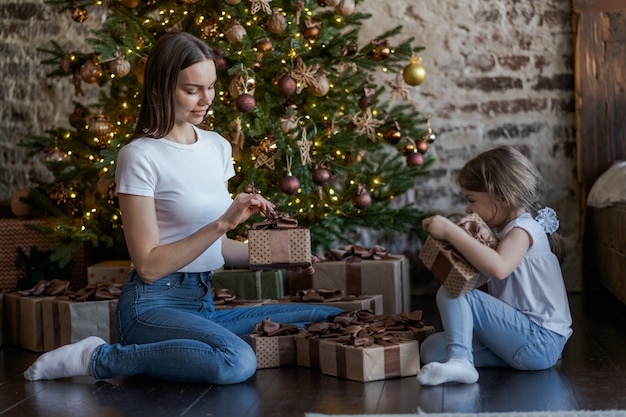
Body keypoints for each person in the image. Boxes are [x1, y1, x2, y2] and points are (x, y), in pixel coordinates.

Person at [23, 31, 342, 384]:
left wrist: (283, 255)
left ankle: (174, 349)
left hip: (201, 303)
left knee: (326, 315)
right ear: (161, 88)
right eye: (192, 89)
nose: (207, 99)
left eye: (211, 87)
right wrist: (223, 222)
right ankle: (98, 357)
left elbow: (216, 249)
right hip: (151, 306)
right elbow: (148, 266)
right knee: (236, 361)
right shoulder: (139, 156)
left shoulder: (217, 146)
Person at [417, 145, 572, 386]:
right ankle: (462, 358)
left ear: (501, 196)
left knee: (452, 292)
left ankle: (461, 361)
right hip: (523, 344)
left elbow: (499, 268)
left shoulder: (524, 230)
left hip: (540, 339)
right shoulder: (506, 234)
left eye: (471, 200)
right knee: (430, 350)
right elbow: (484, 279)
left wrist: (450, 231)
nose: (468, 209)